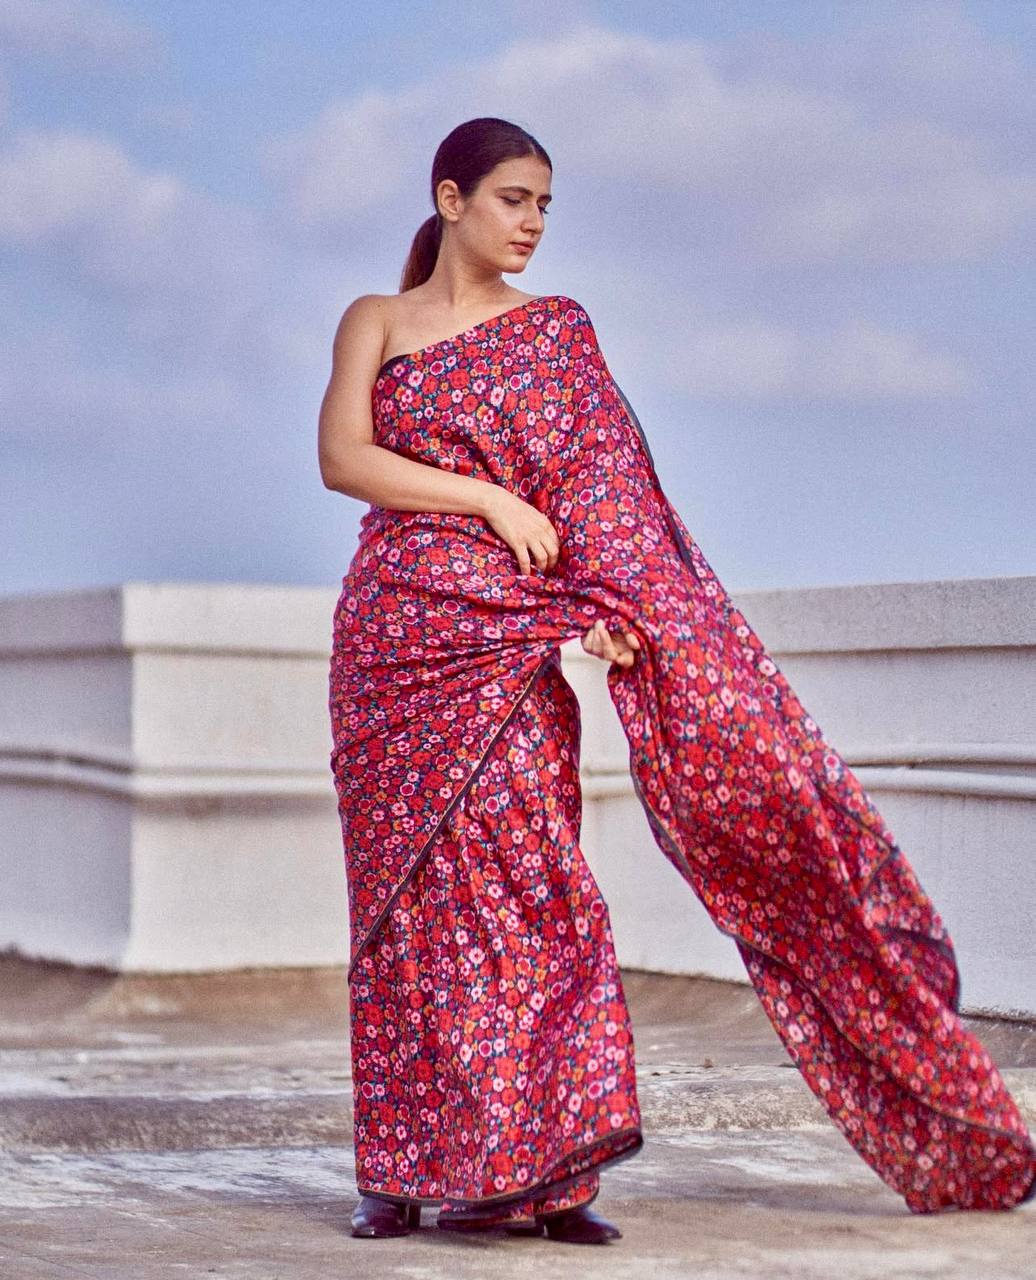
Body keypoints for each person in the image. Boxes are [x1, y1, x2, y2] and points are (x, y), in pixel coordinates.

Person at [319, 117, 1036, 1245]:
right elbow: (343, 458)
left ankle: (552, 1178)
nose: (533, 223)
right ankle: (398, 1172)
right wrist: (492, 498)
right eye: (513, 199)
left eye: (545, 204)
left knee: (536, 887)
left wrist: (618, 611)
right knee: (402, 908)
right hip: (392, 648)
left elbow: (610, 505)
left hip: (511, 644)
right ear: (450, 199)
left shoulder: (557, 333)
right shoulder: (376, 318)